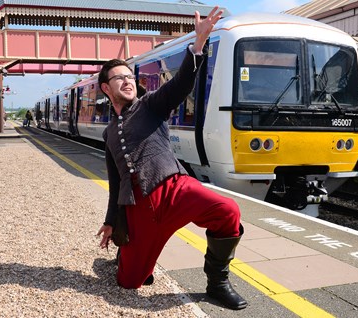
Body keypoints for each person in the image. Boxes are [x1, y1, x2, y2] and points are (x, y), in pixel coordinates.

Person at [96, 6, 247, 310]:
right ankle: (126, 256)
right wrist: (111, 222)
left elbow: (181, 85)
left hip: (175, 189)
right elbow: (116, 182)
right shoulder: (108, 134)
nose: (127, 80)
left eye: (129, 75)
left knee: (228, 211)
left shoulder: (151, 104)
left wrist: (199, 45)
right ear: (105, 88)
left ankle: (217, 283)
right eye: (119, 78)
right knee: (129, 282)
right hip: (138, 208)